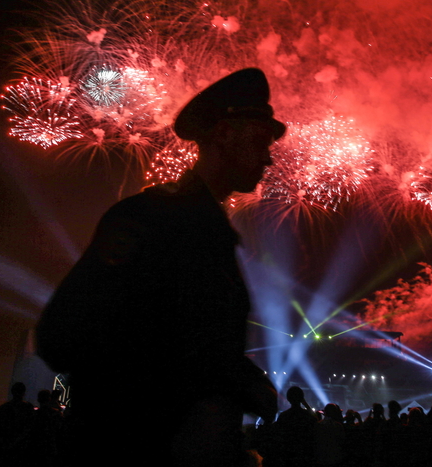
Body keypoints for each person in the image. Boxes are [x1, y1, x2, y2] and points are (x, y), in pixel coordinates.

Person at [36, 67, 285, 466]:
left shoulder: (200, 228)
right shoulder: (154, 218)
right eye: (259, 140)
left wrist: (240, 381)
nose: (268, 157)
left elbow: (185, 337)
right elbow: (62, 334)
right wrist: (174, 418)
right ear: (223, 134)